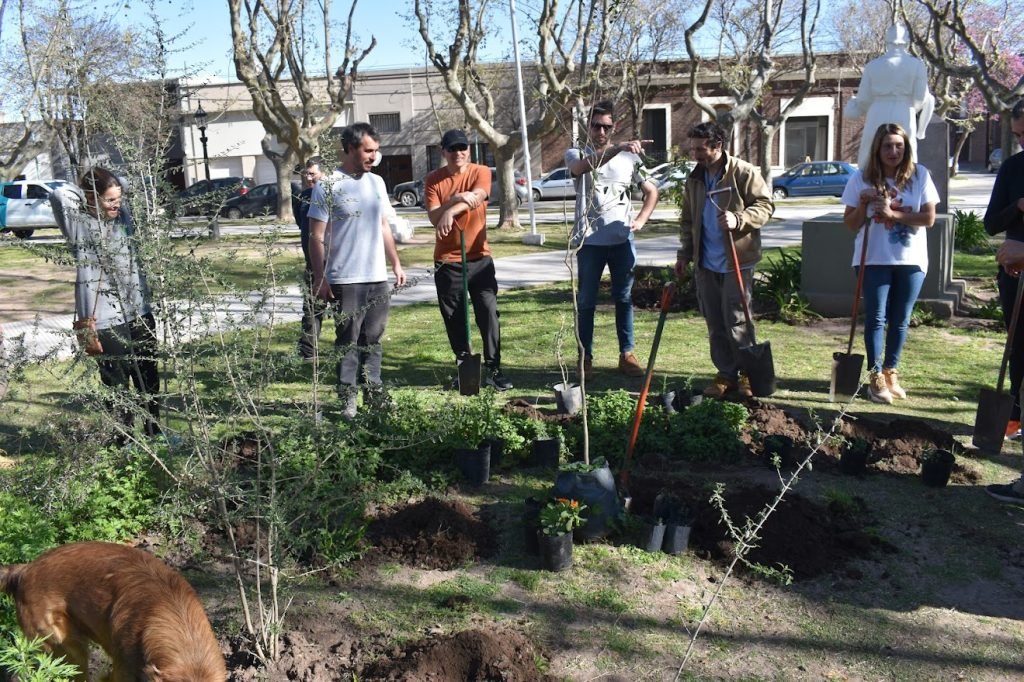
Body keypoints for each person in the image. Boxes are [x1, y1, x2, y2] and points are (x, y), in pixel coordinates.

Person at [50, 167, 160, 437]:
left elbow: (124, 183)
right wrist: (87, 193)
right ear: (91, 197)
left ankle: (155, 434)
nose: (116, 204)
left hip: (139, 312)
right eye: (109, 199)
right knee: (117, 386)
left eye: (118, 198)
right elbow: (59, 194)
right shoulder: (79, 225)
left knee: (149, 379)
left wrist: (113, 188)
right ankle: (124, 442)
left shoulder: (123, 217)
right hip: (105, 320)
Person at [307, 123, 406, 419]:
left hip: (376, 278)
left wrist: (396, 263)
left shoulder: (377, 183)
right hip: (344, 279)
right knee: (348, 340)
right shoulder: (328, 185)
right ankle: (347, 398)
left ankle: (374, 393)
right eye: (368, 150)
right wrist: (320, 277)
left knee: (373, 338)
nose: (373, 157)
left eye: (376, 151)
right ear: (350, 148)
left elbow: (384, 225)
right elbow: (316, 236)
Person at [840, 122, 939, 404]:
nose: (893, 151)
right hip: (872, 258)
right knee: (877, 317)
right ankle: (875, 377)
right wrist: (862, 205)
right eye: (887, 146)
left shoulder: (919, 176)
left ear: (906, 148)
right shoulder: (861, 178)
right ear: (877, 149)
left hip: (911, 259)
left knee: (900, 319)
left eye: (898, 145)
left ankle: (890, 371)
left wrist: (893, 216)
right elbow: (850, 224)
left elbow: (928, 219)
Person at [675, 121, 774, 399]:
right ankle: (726, 373)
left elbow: (766, 206)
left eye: (700, 149)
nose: (695, 154)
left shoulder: (743, 172)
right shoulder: (695, 178)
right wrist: (685, 253)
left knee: (737, 319)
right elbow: (688, 220)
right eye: (692, 148)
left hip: (737, 260)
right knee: (715, 321)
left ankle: (747, 375)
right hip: (706, 262)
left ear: (718, 146)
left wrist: (739, 219)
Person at [565, 100, 659, 379]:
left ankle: (627, 354)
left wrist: (640, 220)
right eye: (596, 126)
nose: (601, 131)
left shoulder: (630, 158)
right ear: (588, 127)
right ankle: (586, 358)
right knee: (586, 302)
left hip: (622, 242)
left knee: (624, 298)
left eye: (607, 127)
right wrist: (618, 147)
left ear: (614, 126)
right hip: (590, 242)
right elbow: (582, 168)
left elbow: (651, 191)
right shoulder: (575, 153)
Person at [424, 129, 512, 391]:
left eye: (462, 147)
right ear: (444, 152)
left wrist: (451, 210)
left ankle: (494, 368)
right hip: (447, 261)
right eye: (452, 149)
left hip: (479, 258)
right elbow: (432, 217)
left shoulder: (481, 171)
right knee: (455, 317)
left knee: (487, 313)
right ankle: (465, 369)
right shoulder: (433, 180)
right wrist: (454, 200)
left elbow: (479, 196)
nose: (458, 153)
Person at [983, 100, 1024, 448]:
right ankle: (1015, 415)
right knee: (1018, 345)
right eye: (1017, 135)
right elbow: (991, 223)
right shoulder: (1013, 168)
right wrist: (1018, 207)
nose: (1022, 141)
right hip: (1014, 274)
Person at [846, 23, 935, 169]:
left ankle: (865, 182)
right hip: (904, 110)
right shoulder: (917, 65)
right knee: (907, 148)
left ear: (886, 41)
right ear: (906, 41)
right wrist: (912, 108)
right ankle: (908, 182)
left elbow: (863, 100)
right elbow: (920, 97)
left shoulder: (872, 66)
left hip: (877, 110)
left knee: (870, 148)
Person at [293, 156, 326, 361]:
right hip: (312, 262)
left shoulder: (333, 194)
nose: (308, 177)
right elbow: (302, 225)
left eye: (312, 173)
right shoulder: (303, 197)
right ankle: (308, 352)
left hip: (334, 261)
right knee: (312, 308)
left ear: (324, 174)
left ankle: (348, 349)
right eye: (306, 173)